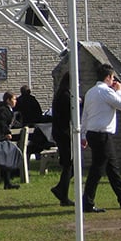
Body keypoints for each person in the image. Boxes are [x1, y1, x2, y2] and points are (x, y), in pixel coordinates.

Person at [80, 63, 121, 213]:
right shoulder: (105, 91)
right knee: (97, 169)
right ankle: (87, 202)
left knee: (112, 168)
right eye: (112, 77)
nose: (114, 80)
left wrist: (83, 134)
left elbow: (85, 115)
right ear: (108, 78)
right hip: (101, 134)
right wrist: (119, 91)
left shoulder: (91, 92)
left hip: (95, 133)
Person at [48, 72, 76, 207]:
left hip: (60, 132)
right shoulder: (65, 96)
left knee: (70, 164)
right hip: (63, 133)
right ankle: (62, 193)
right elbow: (70, 113)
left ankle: (60, 188)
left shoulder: (61, 94)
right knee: (68, 164)